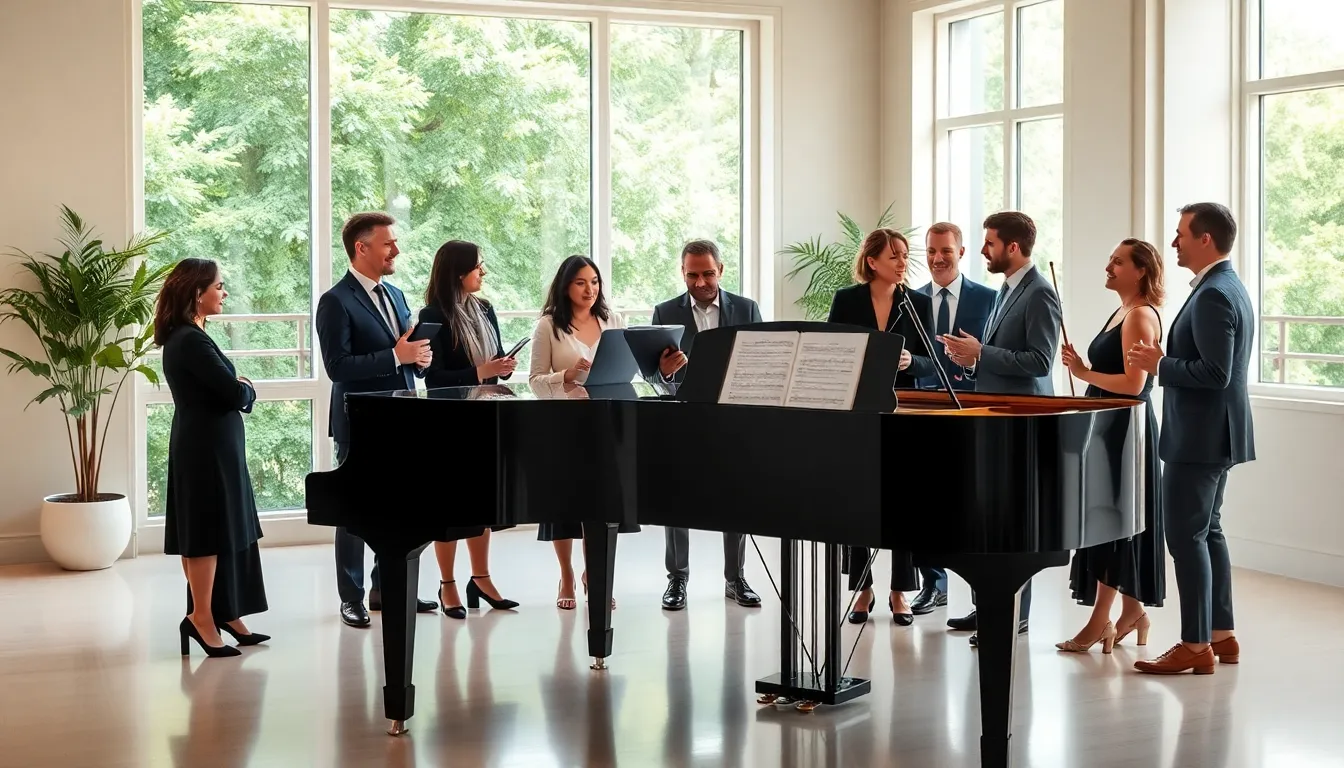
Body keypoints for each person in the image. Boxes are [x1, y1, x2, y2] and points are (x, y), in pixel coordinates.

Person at [1128, 202, 1254, 675]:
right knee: (1208, 532)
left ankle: (1194, 643)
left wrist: (1158, 364)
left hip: (1199, 439)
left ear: (1205, 239)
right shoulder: (1228, 286)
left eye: (1181, 234)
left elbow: (1215, 372)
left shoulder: (1214, 294)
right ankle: (1222, 635)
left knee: (1184, 537)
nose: (1174, 242)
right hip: (1216, 435)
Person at [940, 210, 1062, 646]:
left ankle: (1013, 616)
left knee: (1014, 525)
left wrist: (983, 353)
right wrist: (972, 359)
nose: (983, 250)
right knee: (988, 519)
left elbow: (1040, 362)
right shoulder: (1005, 290)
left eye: (989, 242)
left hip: (1021, 425)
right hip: (993, 419)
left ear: (1013, 247)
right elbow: (994, 355)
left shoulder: (1040, 293)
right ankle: (987, 606)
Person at [315, 212, 437, 628]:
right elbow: (337, 367)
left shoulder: (398, 296)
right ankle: (351, 597)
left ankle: (387, 588)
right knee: (354, 513)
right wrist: (394, 357)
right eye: (388, 244)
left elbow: (406, 353)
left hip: (405, 420)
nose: (396, 250)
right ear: (361, 248)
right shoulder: (335, 301)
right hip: (360, 422)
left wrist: (419, 359)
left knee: (401, 509)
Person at [1057, 238, 1167, 654]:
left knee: (1111, 520)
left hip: (1125, 428)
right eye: (1110, 259)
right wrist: (1080, 369)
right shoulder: (1123, 311)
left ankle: (1100, 621)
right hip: (1109, 426)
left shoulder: (1139, 316)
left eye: (1118, 262)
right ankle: (1132, 612)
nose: (1109, 266)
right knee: (1115, 519)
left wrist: (1085, 372)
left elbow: (1135, 385)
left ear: (1140, 271)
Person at [157, 258, 268, 657]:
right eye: (219, 286)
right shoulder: (189, 339)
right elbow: (233, 392)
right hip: (204, 449)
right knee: (205, 533)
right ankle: (201, 617)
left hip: (214, 445)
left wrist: (239, 387)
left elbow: (225, 388)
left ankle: (224, 612)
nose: (224, 293)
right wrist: (247, 387)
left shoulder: (195, 334)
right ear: (196, 292)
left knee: (225, 529)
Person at [826, 228, 935, 626]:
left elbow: (931, 359)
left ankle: (899, 591)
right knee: (859, 500)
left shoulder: (916, 301)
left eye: (905, 255)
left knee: (903, 499)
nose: (903, 263)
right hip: (856, 410)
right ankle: (863, 588)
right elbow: (831, 350)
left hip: (903, 408)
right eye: (894, 256)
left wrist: (912, 363)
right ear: (872, 262)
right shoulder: (847, 300)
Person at [650, 239, 761, 611]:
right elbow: (655, 379)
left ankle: (736, 577)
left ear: (721, 270)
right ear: (682, 273)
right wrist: (663, 374)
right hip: (684, 419)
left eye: (707, 273)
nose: (700, 282)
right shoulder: (664, 312)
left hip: (734, 420)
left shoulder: (747, 309)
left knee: (738, 499)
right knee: (676, 498)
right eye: (692, 274)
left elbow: (765, 366)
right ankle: (677, 579)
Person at [528, 255, 640, 610]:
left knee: (604, 505)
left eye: (594, 281)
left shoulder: (613, 320)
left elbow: (626, 372)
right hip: (564, 427)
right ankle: (566, 574)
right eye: (580, 282)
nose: (589, 289)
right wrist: (567, 377)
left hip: (607, 425)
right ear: (565, 286)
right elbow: (533, 382)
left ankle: (597, 574)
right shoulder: (548, 325)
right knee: (565, 505)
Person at [419, 240, 521, 618]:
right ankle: (447, 584)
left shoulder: (485, 308)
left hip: (487, 417)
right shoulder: (433, 315)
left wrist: (502, 367)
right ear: (458, 272)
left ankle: (480, 577)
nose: (483, 272)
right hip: (450, 423)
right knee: (449, 507)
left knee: (483, 503)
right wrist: (482, 372)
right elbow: (434, 377)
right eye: (478, 266)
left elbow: (491, 362)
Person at [910, 221, 997, 615]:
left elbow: (993, 355)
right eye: (930, 251)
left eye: (945, 250)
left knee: (976, 502)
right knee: (925, 500)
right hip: (924, 410)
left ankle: (984, 596)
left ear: (961, 252)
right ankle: (933, 584)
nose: (937, 258)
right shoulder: (909, 300)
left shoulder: (989, 298)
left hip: (974, 409)